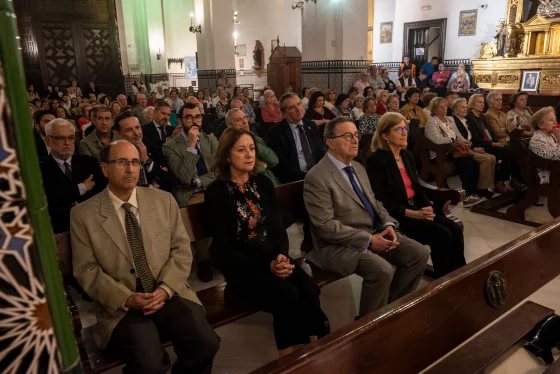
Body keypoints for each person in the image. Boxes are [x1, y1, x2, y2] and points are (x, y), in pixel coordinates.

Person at [70, 140, 220, 374]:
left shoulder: (162, 201)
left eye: (135, 162)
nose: (130, 169)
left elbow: (180, 249)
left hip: (167, 289)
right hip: (123, 303)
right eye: (121, 162)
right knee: (149, 364)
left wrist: (165, 289)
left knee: (206, 343)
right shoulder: (84, 215)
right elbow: (86, 270)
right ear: (105, 168)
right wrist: (127, 298)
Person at [205, 127, 328, 356]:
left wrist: (282, 255)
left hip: (273, 258)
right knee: (287, 294)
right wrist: (268, 265)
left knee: (308, 288)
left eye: (252, 148)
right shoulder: (216, 192)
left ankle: (316, 350)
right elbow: (223, 245)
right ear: (227, 155)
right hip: (241, 266)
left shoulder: (262, 183)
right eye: (241, 150)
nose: (250, 154)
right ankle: (288, 359)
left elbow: (276, 226)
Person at [303, 117, 429, 317]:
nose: (355, 140)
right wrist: (369, 240)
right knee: (382, 270)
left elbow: (375, 203)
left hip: (371, 231)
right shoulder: (318, 177)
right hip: (335, 245)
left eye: (356, 135)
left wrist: (388, 224)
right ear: (330, 142)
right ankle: (367, 325)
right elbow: (325, 226)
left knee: (418, 253)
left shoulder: (358, 168)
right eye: (347, 136)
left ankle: (390, 311)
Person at [366, 113, 465, 278]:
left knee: (454, 228)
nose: (405, 132)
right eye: (399, 129)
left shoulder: (406, 155)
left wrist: (427, 207)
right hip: (397, 216)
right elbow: (380, 201)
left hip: (416, 209)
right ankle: (445, 280)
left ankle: (461, 274)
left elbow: (417, 187)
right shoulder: (376, 161)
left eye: (405, 128)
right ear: (385, 135)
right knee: (442, 234)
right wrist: (414, 214)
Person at [163, 103, 219, 282]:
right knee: (200, 212)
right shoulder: (171, 146)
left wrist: (200, 181)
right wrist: (192, 145)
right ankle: (204, 260)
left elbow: (220, 171)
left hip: (215, 187)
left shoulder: (212, 141)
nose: (194, 121)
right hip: (191, 194)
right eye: (189, 117)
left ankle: (225, 252)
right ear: (180, 120)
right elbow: (185, 177)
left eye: (197, 117)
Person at [40, 119, 106, 233]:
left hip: (94, 224)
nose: (67, 143)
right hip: (60, 229)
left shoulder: (89, 163)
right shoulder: (40, 169)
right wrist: (82, 188)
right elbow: (50, 200)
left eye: (70, 138)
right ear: (47, 140)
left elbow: (101, 194)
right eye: (60, 138)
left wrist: (66, 195)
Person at [424, 97, 485, 207]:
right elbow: (437, 140)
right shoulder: (431, 122)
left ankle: (472, 193)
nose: (444, 109)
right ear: (434, 109)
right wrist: (454, 141)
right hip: (442, 154)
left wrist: (464, 141)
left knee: (473, 163)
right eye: (441, 107)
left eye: (446, 106)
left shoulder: (449, 119)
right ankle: (468, 196)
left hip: (454, 150)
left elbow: (457, 133)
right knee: (467, 164)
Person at [466, 94, 524, 194]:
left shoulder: (482, 116)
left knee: (514, 150)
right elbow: (476, 138)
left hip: (491, 143)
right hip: (482, 145)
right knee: (508, 152)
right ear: (472, 104)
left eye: (483, 102)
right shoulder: (470, 117)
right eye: (479, 102)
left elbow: (491, 133)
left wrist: (496, 142)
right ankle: (499, 182)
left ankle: (515, 180)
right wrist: (492, 144)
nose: (482, 104)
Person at [267, 93, 325, 184]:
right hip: (296, 180)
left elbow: (320, 152)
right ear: (283, 113)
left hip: (319, 175)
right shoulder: (276, 132)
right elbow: (281, 165)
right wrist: (307, 177)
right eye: (292, 107)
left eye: (299, 104)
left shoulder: (310, 125)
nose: (298, 109)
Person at [114, 112, 177, 192]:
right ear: (118, 134)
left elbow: (171, 182)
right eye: (129, 130)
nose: (136, 133)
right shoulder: (114, 157)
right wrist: (151, 187)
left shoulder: (153, 150)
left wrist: (147, 161)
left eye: (137, 127)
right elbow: (124, 190)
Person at [452, 98, 496, 199]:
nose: (465, 109)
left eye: (466, 107)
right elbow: (460, 139)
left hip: (470, 147)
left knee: (492, 157)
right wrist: (474, 148)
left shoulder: (465, 120)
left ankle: (488, 187)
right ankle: (482, 189)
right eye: (462, 107)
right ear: (455, 110)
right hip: (463, 149)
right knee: (486, 159)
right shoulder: (454, 121)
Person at [224, 108, 280, 185]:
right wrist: (262, 167)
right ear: (230, 126)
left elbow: (274, 161)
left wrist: (253, 142)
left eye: (244, 118)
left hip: (274, 183)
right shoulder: (229, 145)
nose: (244, 122)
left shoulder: (258, 139)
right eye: (238, 120)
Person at [529, 107, 560, 184]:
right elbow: (554, 157)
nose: (555, 123)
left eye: (555, 120)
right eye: (551, 120)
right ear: (540, 125)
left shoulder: (551, 135)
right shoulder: (537, 139)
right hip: (548, 173)